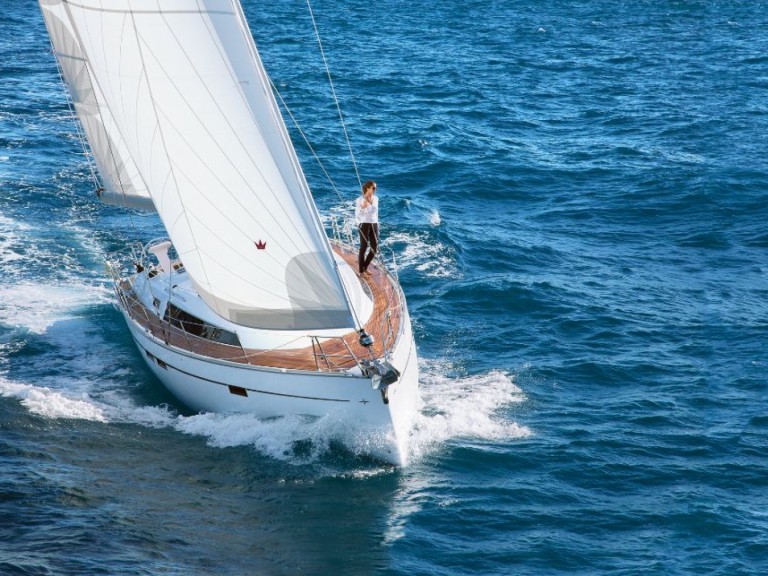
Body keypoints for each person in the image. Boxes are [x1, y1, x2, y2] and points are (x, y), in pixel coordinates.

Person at [355, 180, 379, 275]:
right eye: (373, 188)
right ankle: (362, 270)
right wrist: (362, 208)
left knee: (374, 249)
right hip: (364, 224)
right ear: (368, 188)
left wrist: (367, 206)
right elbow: (357, 214)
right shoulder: (359, 200)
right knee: (363, 247)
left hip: (374, 224)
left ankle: (365, 266)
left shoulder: (376, 198)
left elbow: (374, 210)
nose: (375, 189)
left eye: (375, 188)